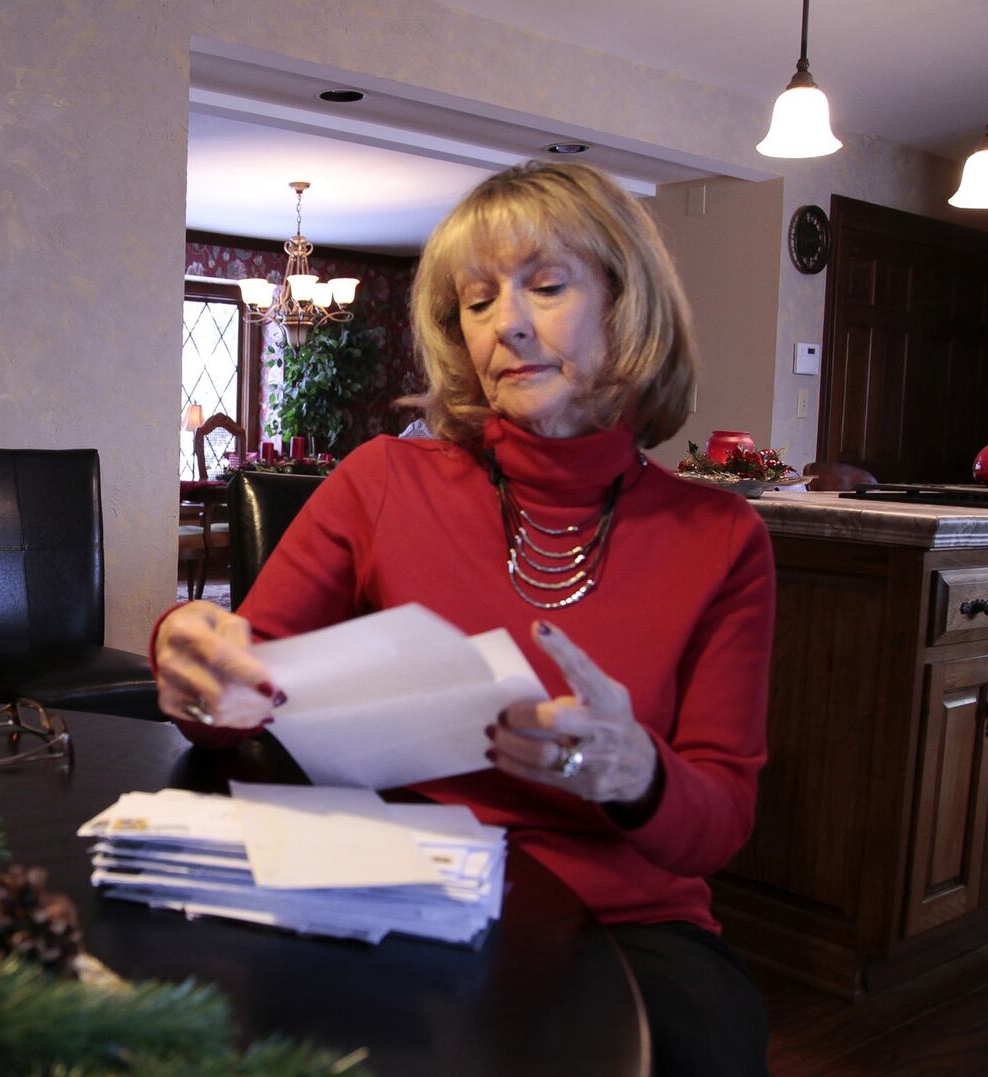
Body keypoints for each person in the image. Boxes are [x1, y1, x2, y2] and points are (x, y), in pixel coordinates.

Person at [152, 160, 773, 1076]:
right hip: (392, 884)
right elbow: (238, 676)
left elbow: (719, 822)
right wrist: (189, 655)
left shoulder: (720, 536)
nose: (506, 324)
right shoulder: (380, 480)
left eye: (547, 286)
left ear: (628, 304)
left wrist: (638, 770)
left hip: (621, 923)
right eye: (476, 302)